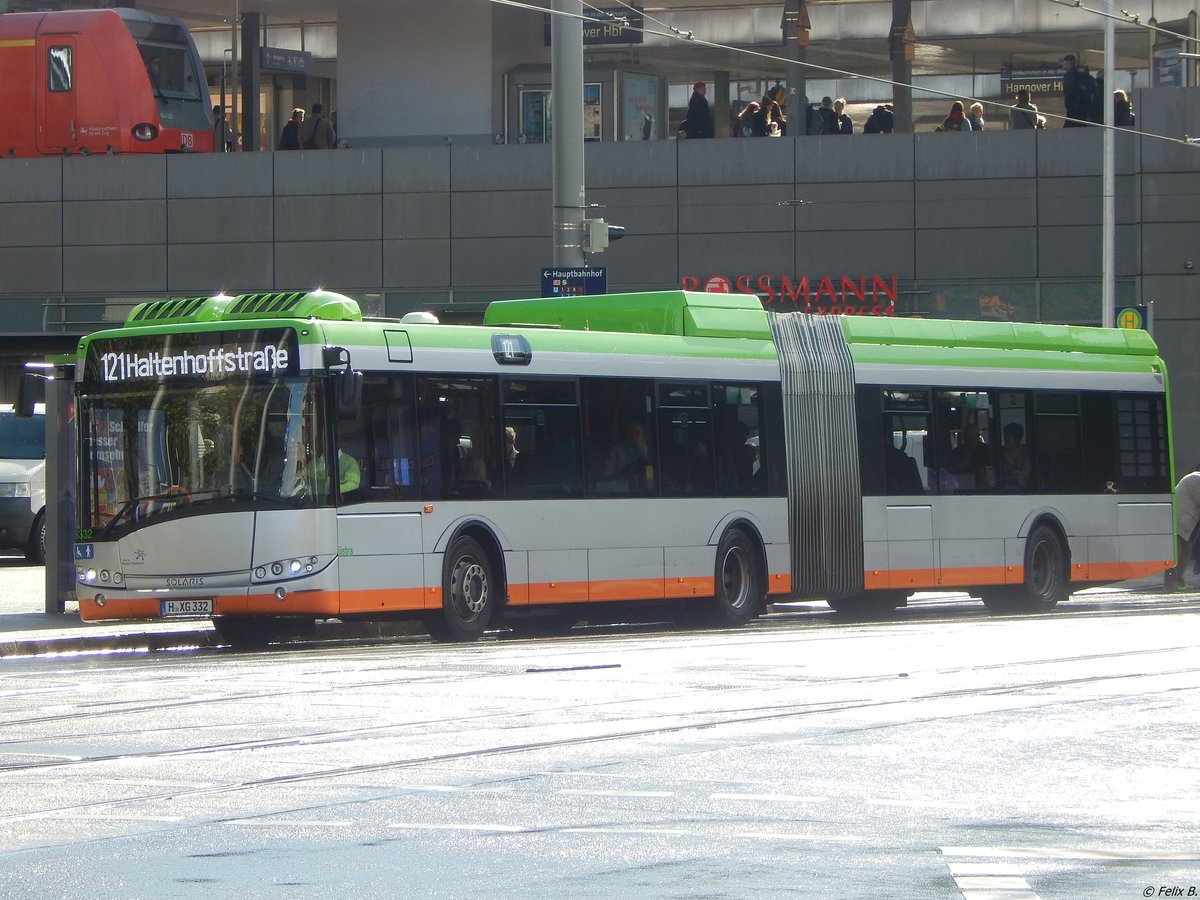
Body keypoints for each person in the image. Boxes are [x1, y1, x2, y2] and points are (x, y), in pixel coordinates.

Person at [1165, 465, 1200, 590]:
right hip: (1180, 521)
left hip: (1183, 522)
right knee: (1178, 553)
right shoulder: (1195, 479)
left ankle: (1177, 580)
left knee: (1184, 552)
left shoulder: (1192, 478)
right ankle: (1173, 583)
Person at [1061, 54, 1096, 127]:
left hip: (1073, 107)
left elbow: (1069, 91)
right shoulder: (1081, 75)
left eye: (1064, 62)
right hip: (1082, 106)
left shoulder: (1069, 76)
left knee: (1070, 125)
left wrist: (1068, 103)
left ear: (1068, 63)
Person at [998, 422, 1030, 491]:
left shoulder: (1026, 454)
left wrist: (1009, 463)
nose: (1005, 440)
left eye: (1008, 438)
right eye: (1004, 437)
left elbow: (1023, 476)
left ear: (1017, 439)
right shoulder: (999, 452)